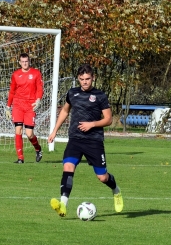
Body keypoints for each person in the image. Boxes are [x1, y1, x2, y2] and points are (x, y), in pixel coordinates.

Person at [47, 64, 123, 217]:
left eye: (87, 79)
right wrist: (54, 131)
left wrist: (92, 124)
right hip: (75, 139)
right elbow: (65, 111)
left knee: (102, 177)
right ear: (78, 79)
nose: (85, 82)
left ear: (93, 78)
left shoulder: (100, 96)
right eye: (82, 79)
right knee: (68, 167)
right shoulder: (72, 93)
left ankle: (116, 190)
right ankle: (63, 205)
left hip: (93, 141)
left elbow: (108, 119)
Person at [6, 53, 44, 163]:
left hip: (30, 106)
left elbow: (39, 88)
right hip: (18, 105)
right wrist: (8, 106)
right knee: (18, 130)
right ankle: (20, 158)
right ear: (19, 62)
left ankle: (38, 149)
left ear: (29, 61)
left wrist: (38, 99)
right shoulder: (16, 75)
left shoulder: (36, 73)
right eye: (22, 61)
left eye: (26, 61)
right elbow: (12, 91)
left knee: (29, 133)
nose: (24, 63)